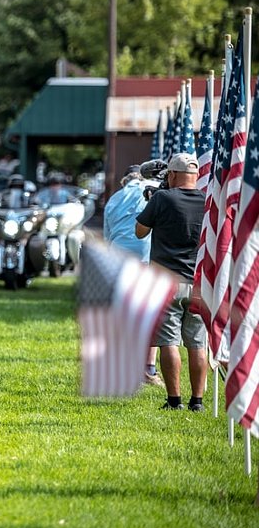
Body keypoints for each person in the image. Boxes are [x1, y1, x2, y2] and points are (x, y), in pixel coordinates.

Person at [135, 153, 207, 411]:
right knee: (197, 344)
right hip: (199, 282)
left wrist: (153, 205)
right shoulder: (207, 200)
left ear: (173, 175)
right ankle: (197, 401)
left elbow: (140, 231)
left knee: (169, 341)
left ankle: (174, 400)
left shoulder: (163, 198)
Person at [104, 165, 159, 386]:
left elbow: (108, 237)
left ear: (124, 181)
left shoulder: (114, 200)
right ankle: (149, 368)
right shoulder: (153, 189)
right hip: (147, 257)